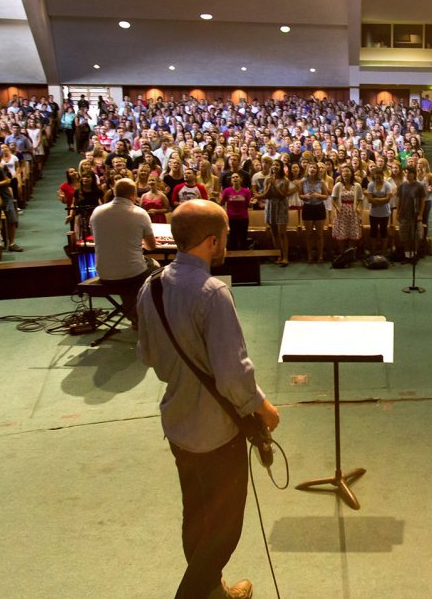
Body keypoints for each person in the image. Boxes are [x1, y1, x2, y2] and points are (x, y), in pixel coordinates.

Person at [135, 199, 280, 599]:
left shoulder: (152, 285)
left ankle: (212, 590)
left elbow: (146, 355)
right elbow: (234, 376)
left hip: (178, 422)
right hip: (216, 431)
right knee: (225, 527)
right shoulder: (213, 293)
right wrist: (264, 409)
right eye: (226, 238)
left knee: (196, 514)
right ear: (213, 241)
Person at [90, 179, 158, 327]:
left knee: (126, 265)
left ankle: (133, 315)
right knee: (155, 268)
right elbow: (151, 247)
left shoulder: (97, 211)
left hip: (103, 273)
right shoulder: (140, 213)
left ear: (114, 192)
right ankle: (147, 315)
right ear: (134, 195)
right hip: (132, 276)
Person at [396, 163, 427, 262]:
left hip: (415, 215)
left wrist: (420, 214)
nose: (407, 175)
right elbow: (399, 200)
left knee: (415, 236)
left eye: (409, 173)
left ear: (414, 174)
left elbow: (422, 202)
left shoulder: (419, 186)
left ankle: (414, 255)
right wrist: (397, 212)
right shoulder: (402, 186)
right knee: (405, 237)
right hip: (404, 215)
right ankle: (407, 255)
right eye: (405, 173)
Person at [298, 164, 329, 263]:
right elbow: (300, 196)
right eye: (311, 167)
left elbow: (326, 196)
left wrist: (318, 195)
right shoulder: (303, 181)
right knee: (309, 234)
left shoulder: (321, 182)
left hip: (319, 207)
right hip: (307, 208)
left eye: (314, 168)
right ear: (307, 169)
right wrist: (305, 196)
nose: (312, 169)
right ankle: (310, 256)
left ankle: (320, 256)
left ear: (317, 170)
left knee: (319, 234)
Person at [364, 164, 393, 257]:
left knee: (384, 232)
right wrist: (382, 199)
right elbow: (369, 199)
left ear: (382, 176)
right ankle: (374, 252)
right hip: (374, 213)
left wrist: (376, 199)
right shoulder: (371, 184)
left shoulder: (387, 185)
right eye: (376, 178)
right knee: (373, 232)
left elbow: (388, 199)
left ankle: (383, 253)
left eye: (380, 178)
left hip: (385, 212)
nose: (378, 180)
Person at [219, 173, 252, 251]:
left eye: (237, 177)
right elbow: (222, 203)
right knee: (233, 236)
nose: (235, 178)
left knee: (243, 237)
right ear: (231, 181)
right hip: (231, 217)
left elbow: (249, 205)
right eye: (233, 177)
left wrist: (252, 203)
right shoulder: (227, 191)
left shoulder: (246, 191)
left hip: (243, 217)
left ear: (241, 179)